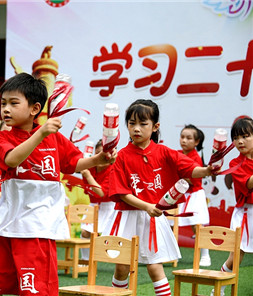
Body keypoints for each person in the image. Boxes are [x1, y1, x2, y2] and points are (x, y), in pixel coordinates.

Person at [0, 73, 116, 296]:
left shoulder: (54, 138)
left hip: (37, 225)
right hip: (6, 222)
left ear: (35, 109)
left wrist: (97, 160)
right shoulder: (0, 138)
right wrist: (41, 132)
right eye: (3, 103)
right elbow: (12, 159)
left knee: (35, 288)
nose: (6, 109)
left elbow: (72, 164)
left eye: (14, 103)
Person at [104, 99, 213, 295]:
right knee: (121, 267)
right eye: (131, 123)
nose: (136, 128)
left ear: (155, 127)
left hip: (153, 219)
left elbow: (190, 169)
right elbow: (122, 193)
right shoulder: (121, 156)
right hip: (128, 216)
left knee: (155, 267)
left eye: (143, 124)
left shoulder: (164, 152)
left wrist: (207, 170)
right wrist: (146, 206)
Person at [211, 117, 253, 296]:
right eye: (236, 138)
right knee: (235, 257)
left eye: (245, 136)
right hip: (246, 214)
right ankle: (219, 290)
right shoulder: (235, 163)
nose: (240, 141)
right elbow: (249, 184)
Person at [177, 124, 211, 266]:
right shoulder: (177, 153)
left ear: (196, 142)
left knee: (197, 226)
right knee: (169, 223)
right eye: (182, 137)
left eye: (188, 138)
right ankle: (170, 254)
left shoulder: (196, 158)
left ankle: (205, 255)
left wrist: (177, 175)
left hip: (194, 195)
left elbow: (193, 179)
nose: (184, 140)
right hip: (179, 195)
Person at [79, 139, 114, 260]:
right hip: (93, 205)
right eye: (98, 153)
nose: (102, 157)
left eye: (106, 154)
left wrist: (88, 176)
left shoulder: (112, 170)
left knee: (111, 237)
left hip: (109, 207)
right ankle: (85, 260)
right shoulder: (90, 168)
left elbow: (101, 194)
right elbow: (89, 190)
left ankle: (124, 264)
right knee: (85, 232)